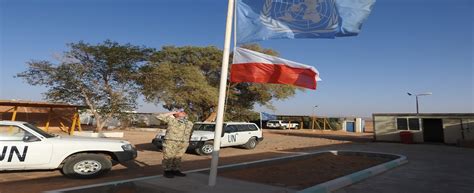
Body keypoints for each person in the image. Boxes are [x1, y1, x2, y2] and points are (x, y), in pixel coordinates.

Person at [156, 111, 194, 178]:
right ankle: (167, 171)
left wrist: (188, 141)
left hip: (183, 142)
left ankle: (176, 170)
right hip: (171, 141)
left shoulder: (189, 123)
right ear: (176, 115)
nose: (183, 112)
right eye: (180, 112)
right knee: (168, 157)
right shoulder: (172, 120)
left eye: (183, 111)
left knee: (178, 157)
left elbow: (190, 133)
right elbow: (158, 117)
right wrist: (173, 112)